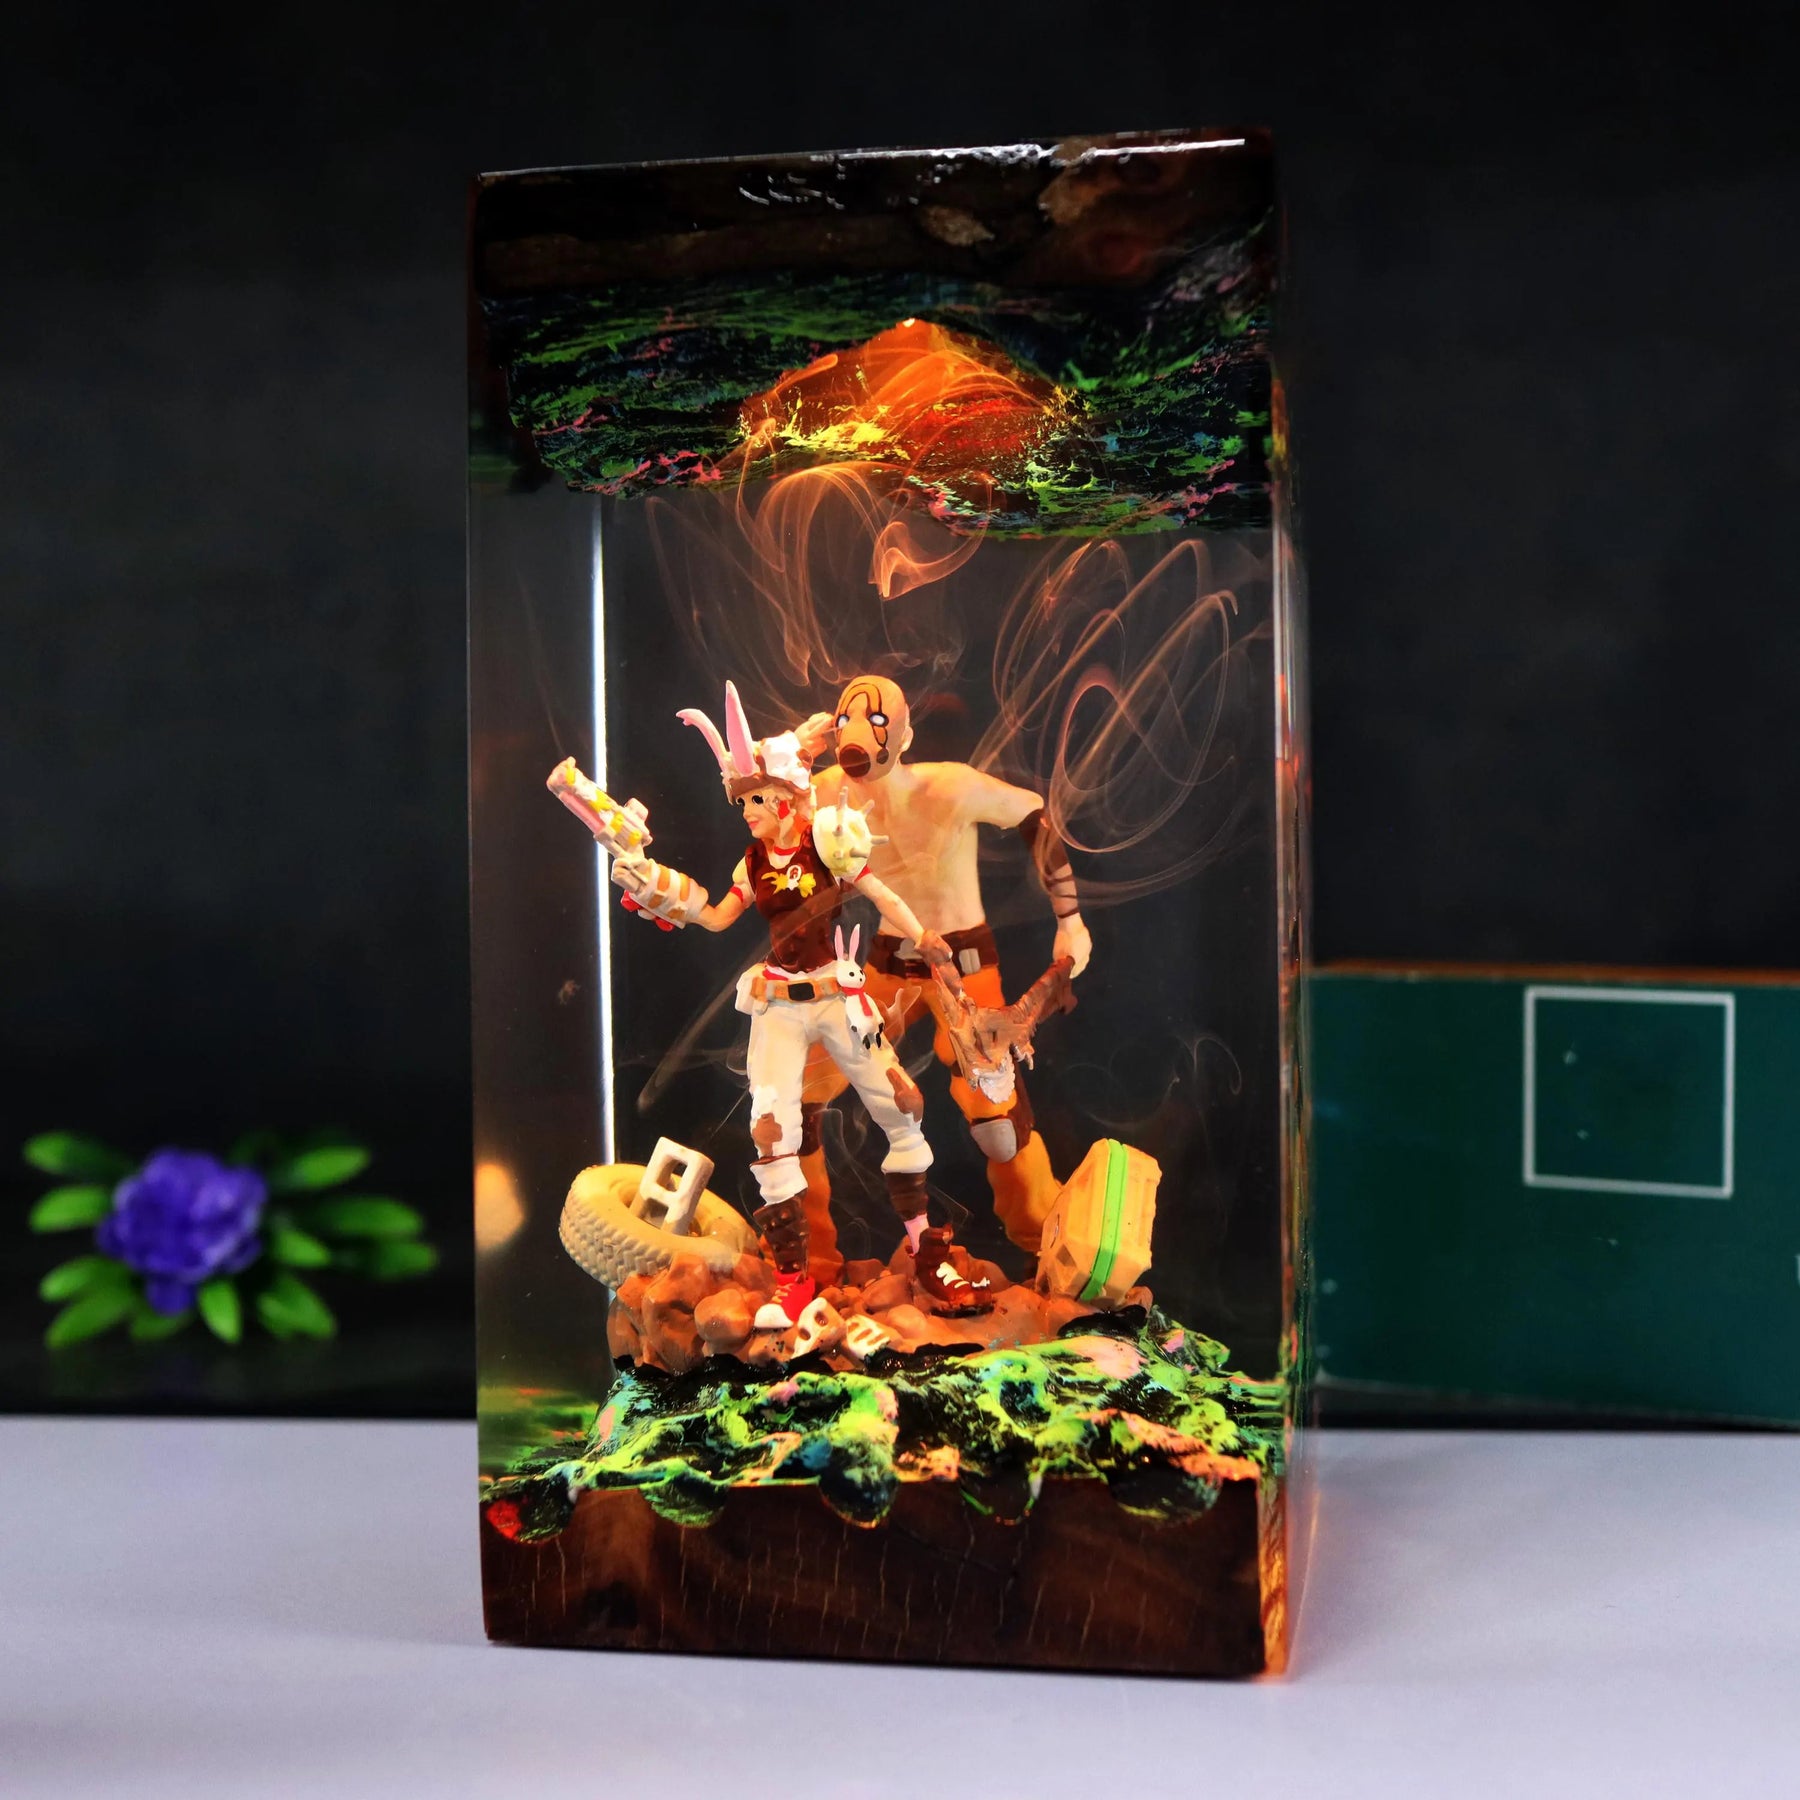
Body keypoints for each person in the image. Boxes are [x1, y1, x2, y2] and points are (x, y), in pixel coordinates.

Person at [548, 680, 993, 1323]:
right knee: (771, 1132)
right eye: (744, 800)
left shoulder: (828, 842)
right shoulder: (751, 862)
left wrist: (925, 937)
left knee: (902, 1107)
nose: (749, 810)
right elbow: (713, 915)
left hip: (838, 993)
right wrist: (649, 879)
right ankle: (793, 1280)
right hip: (779, 1003)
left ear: (787, 795)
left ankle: (927, 1254)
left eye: (758, 798)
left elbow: (877, 891)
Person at [794, 674, 1091, 1270]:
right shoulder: (827, 790)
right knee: (800, 1095)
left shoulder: (951, 786)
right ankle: (805, 1252)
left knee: (996, 1120)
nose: (859, 734)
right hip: (884, 963)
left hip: (964, 964)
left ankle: (1043, 1238)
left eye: (877, 721)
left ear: (903, 737)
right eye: (847, 719)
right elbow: (761, 810)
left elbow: (1035, 817)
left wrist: (1071, 920)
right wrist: (793, 757)